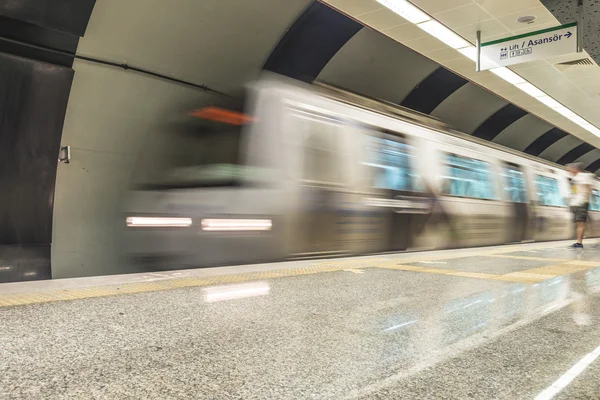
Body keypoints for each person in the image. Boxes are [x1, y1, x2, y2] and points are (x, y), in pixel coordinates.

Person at [567, 162, 594, 248]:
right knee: (579, 223)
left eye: (570, 169)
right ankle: (578, 242)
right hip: (576, 203)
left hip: (581, 203)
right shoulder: (575, 179)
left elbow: (588, 189)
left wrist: (586, 201)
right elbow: (575, 192)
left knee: (580, 224)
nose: (569, 171)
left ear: (575, 169)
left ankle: (579, 243)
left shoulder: (584, 176)